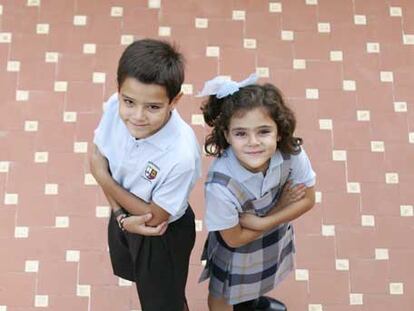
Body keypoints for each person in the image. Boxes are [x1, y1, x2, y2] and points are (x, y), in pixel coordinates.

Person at [89, 38, 201, 311]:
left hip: (162, 236)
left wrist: (104, 178)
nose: (137, 116)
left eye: (153, 107)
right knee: (145, 283)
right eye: (129, 101)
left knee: (164, 303)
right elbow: (95, 155)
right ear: (119, 91)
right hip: (125, 215)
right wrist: (120, 217)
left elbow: (155, 218)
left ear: (174, 101)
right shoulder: (114, 107)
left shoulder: (181, 154)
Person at [197, 74, 316, 311]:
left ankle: (250, 302)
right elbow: (234, 239)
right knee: (222, 293)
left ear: (280, 131)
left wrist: (263, 222)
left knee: (258, 281)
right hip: (235, 252)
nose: (253, 142)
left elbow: (308, 200)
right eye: (241, 133)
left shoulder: (292, 153)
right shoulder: (220, 186)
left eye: (263, 131)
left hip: (271, 239)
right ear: (227, 136)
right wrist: (282, 207)